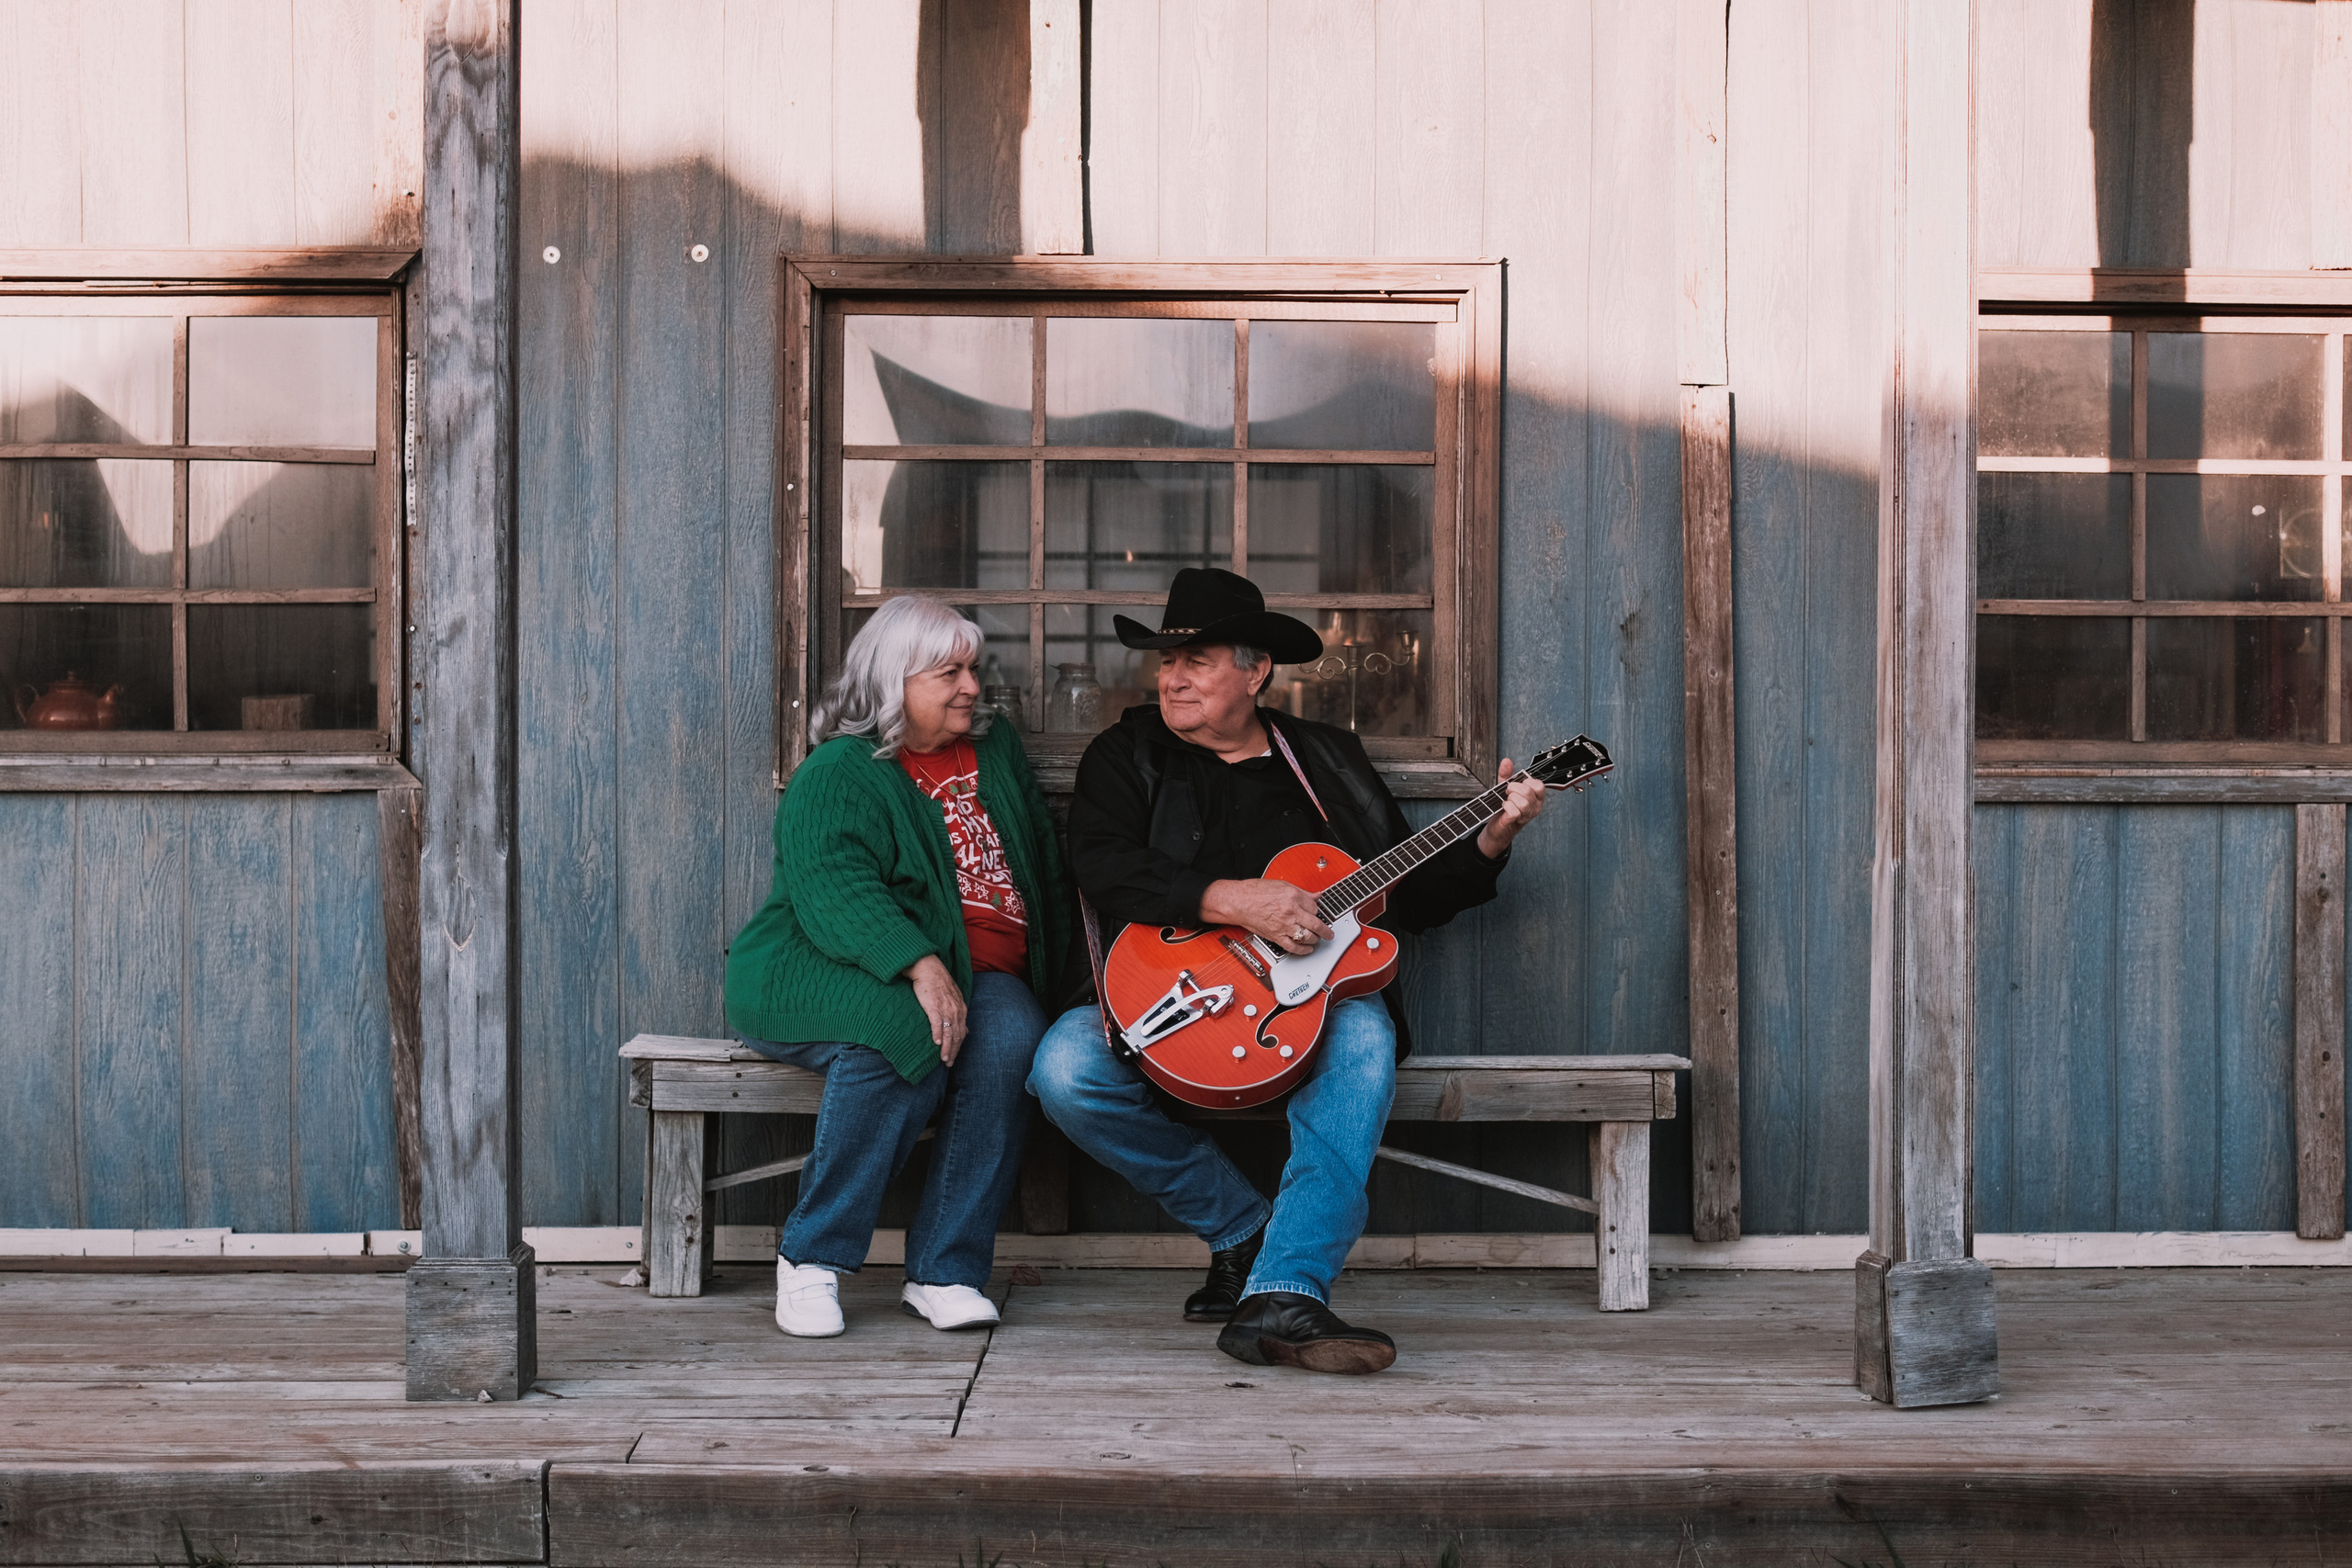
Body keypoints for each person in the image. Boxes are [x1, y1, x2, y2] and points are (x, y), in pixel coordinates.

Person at [1028, 568, 1547, 1375]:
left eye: (1195, 660)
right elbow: (1103, 866)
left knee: (1366, 1042)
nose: (1171, 678)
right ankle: (1241, 1227)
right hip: (1173, 994)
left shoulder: (1326, 762)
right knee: (1063, 1069)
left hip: (1314, 1004)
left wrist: (1493, 836)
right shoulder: (1126, 754)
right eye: (1165, 663)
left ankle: (1285, 1286)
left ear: (1256, 669)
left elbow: (1403, 896)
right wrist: (1237, 900)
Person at [725, 595, 1073, 1338]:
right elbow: (836, 888)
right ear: (894, 682)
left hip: (982, 973)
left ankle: (945, 1268)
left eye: (972, 669)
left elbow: (1039, 859)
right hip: (816, 968)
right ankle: (812, 1257)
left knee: (1013, 1040)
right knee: (897, 1034)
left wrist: (1066, 974)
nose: (971, 687)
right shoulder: (842, 770)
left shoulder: (995, 751)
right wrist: (922, 964)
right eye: (949, 672)